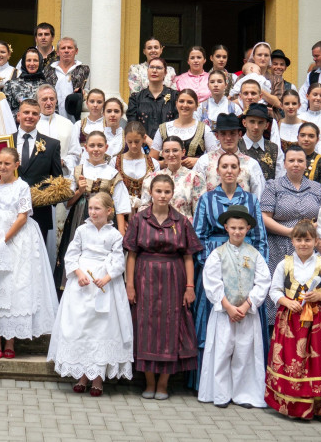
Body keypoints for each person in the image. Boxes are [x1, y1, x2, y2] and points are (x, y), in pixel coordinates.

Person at [0, 146, 59, 358]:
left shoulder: (22, 187)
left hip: (17, 240)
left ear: (16, 165)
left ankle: (10, 341)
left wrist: (5, 239)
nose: (2, 167)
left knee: (14, 286)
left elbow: (22, 216)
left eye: (7, 164)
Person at [191, 154, 267, 384]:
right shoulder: (207, 198)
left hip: (246, 263)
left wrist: (255, 269)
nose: (229, 170)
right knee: (212, 320)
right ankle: (209, 381)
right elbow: (198, 236)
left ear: (240, 170)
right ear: (217, 170)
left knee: (245, 325)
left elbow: (260, 237)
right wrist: (213, 264)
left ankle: (245, 383)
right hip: (215, 263)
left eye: (234, 166)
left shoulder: (251, 200)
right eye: (224, 166)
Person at [49, 192, 134, 397]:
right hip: (82, 284)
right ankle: (82, 375)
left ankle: (98, 378)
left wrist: (107, 277)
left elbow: (117, 260)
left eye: (97, 208)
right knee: (82, 327)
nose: (93, 212)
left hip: (105, 283)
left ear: (108, 211)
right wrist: (78, 273)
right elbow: (72, 254)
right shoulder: (81, 230)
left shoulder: (114, 235)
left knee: (101, 328)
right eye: (91, 208)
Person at [125, 175, 202, 399]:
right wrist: (130, 285)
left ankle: (164, 384)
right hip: (144, 276)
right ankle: (149, 382)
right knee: (145, 325)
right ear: (151, 192)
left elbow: (188, 256)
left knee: (171, 326)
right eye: (158, 191)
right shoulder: (139, 219)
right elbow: (131, 254)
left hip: (173, 278)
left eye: (167, 192)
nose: (162, 195)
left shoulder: (181, 221)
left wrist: (189, 286)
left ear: (172, 193)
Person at [264, 220, 321, 418]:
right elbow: (274, 290)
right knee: (292, 359)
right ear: (292, 241)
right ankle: (290, 404)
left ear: (316, 241)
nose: (303, 244)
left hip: (317, 321)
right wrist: (285, 301)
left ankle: (317, 405)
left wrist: (320, 296)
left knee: (316, 360)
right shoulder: (285, 264)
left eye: (308, 240)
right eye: (299, 240)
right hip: (291, 320)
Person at [198, 205, 271, 408]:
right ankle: (220, 394)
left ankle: (244, 393)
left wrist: (248, 304)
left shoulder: (255, 254)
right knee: (222, 351)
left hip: (246, 314)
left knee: (244, 353)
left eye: (241, 228)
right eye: (233, 228)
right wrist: (228, 307)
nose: (237, 231)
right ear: (226, 228)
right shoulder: (217, 255)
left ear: (247, 228)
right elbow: (212, 282)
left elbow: (263, 281)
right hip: (225, 312)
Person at [56, 132, 131, 285]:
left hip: (106, 219)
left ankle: (104, 282)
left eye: (100, 145)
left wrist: (121, 231)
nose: (96, 149)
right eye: (92, 145)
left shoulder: (113, 174)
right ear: (85, 148)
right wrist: (80, 191)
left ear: (106, 147)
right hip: (80, 218)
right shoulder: (77, 171)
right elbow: (67, 203)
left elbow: (121, 205)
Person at [260, 146, 321, 320]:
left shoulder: (317, 188)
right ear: (284, 163)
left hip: (309, 246)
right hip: (279, 245)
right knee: (279, 286)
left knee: (309, 288)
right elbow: (264, 217)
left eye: (300, 161)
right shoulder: (273, 186)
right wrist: (290, 232)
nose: (296, 164)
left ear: (306, 164)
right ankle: (277, 331)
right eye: (291, 160)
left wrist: (308, 234)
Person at [12, 100, 67, 258]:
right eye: (26, 112)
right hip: (10, 210)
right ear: (18, 116)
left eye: (34, 113)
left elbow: (58, 181)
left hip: (39, 213)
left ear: (39, 117)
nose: (30, 116)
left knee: (35, 258)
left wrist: (42, 198)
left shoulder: (51, 145)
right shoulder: (5, 142)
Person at [187, 114, 265, 210]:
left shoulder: (251, 164)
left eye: (232, 133)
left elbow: (258, 197)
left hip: (242, 219)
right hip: (211, 217)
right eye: (223, 134)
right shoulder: (204, 161)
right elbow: (196, 193)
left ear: (239, 135)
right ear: (217, 136)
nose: (228, 138)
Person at [151, 89, 211, 166]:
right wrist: (166, 163)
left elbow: (214, 158)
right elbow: (152, 161)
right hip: (166, 176)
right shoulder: (163, 128)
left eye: (190, 102)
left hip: (195, 175)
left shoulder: (205, 129)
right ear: (176, 104)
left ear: (196, 106)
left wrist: (198, 161)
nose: (185, 105)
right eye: (181, 101)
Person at [114, 122, 159, 215]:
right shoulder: (115, 162)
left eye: (137, 141)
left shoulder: (154, 163)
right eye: (130, 142)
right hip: (121, 214)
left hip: (148, 214)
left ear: (144, 139)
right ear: (125, 139)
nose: (133, 145)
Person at [127, 57, 178, 137]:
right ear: (147, 71)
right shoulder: (136, 98)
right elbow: (132, 125)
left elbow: (179, 123)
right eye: (151, 67)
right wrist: (148, 142)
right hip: (142, 146)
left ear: (165, 72)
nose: (154, 70)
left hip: (169, 145)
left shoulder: (175, 96)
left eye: (159, 68)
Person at [33, 84, 78, 174]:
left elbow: (75, 153)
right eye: (44, 99)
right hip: (37, 175)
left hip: (62, 175)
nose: (49, 103)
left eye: (52, 99)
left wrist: (63, 162)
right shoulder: (32, 124)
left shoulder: (68, 124)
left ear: (56, 100)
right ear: (37, 102)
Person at [46, 37, 90, 119]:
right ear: (58, 52)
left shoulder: (84, 70)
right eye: (63, 48)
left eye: (70, 48)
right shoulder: (48, 70)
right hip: (53, 118)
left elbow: (90, 91)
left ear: (76, 51)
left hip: (76, 118)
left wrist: (84, 93)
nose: (66, 51)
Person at [155, 136, 196, 221]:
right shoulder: (153, 178)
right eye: (167, 151)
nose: (171, 154)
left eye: (175, 150)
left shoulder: (194, 177)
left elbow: (199, 211)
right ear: (162, 154)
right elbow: (144, 208)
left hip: (185, 227)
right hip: (157, 228)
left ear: (183, 152)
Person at [237, 103, 282, 181]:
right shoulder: (235, 147)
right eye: (252, 122)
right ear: (244, 123)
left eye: (260, 122)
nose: (256, 127)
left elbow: (280, 178)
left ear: (266, 125)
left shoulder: (275, 149)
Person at [3, 47, 47, 117]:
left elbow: (54, 111)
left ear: (40, 62)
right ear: (23, 62)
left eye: (35, 60)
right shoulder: (11, 85)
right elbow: (5, 113)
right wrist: (16, 118)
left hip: (42, 126)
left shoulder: (47, 87)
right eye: (28, 60)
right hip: (18, 126)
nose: (32, 64)